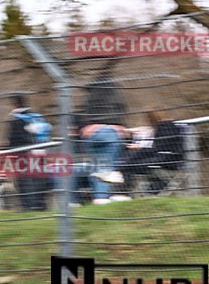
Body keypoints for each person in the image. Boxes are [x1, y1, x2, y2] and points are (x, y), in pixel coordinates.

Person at [75, 70, 130, 204]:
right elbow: (121, 108)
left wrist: (87, 126)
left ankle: (99, 196)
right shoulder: (114, 94)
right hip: (111, 132)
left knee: (96, 166)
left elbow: (82, 115)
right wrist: (121, 125)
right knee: (108, 166)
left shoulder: (90, 99)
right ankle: (105, 197)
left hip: (92, 133)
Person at [115, 111, 183, 197]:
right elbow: (158, 147)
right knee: (136, 158)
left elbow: (159, 148)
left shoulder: (165, 127)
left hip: (166, 160)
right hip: (164, 158)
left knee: (132, 162)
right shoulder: (169, 126)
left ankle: (121, 181)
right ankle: (121, 174)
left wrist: (140, 148)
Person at [7, 94, 49, 211]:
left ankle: (29, 207)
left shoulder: (17, 119)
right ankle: (41, 205)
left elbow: (13, 140)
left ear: (14, 105)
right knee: (39, 179)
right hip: (41, 153)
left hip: (25, 156)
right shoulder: (37, 117)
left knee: (25, 181)